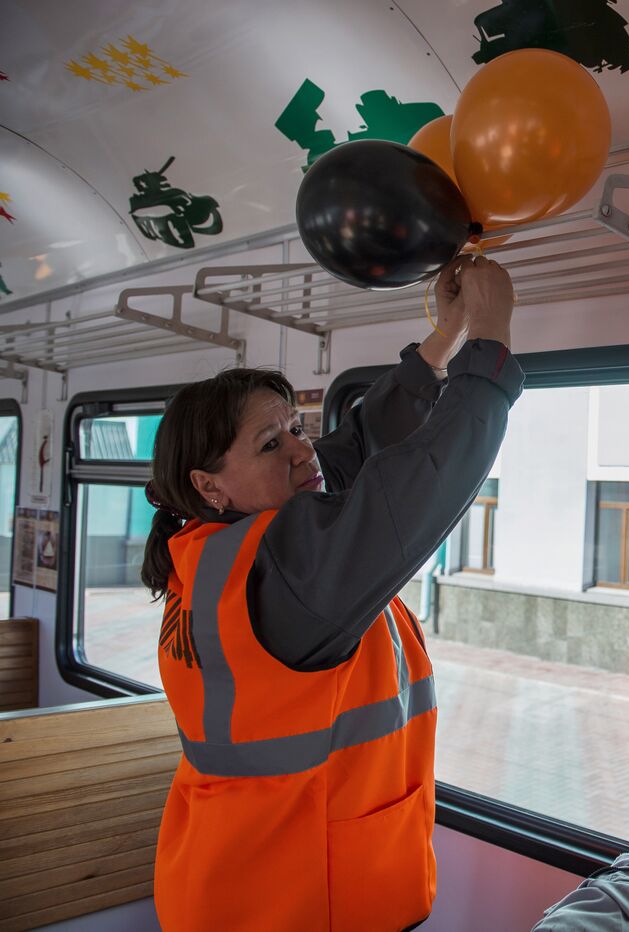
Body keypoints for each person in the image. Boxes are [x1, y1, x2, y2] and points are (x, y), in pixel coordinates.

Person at [144, 254, 521, 931]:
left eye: (295, 426)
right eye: (271, 442)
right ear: (209, 486)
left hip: (262, 884)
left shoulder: (218, 548)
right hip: (283, 902)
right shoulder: (283, 571)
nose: (301, 450)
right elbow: (412, 495)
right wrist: (488, 344)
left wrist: (447, 335)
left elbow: (351, 447)